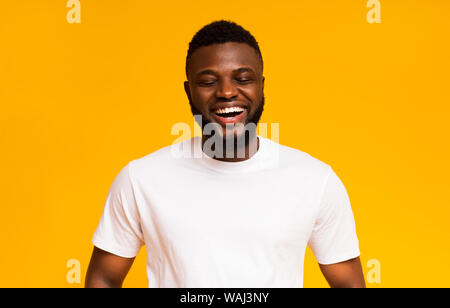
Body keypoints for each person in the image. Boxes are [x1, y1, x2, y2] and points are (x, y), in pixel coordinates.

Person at [85, 20, 365, 288]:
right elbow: (104, 279)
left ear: (261, 86)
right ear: (189, 91)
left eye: (242, 78)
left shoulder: (315, 180)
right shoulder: (140, 179)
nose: (227, 92)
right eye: (208, 81)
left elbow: (349, 284)